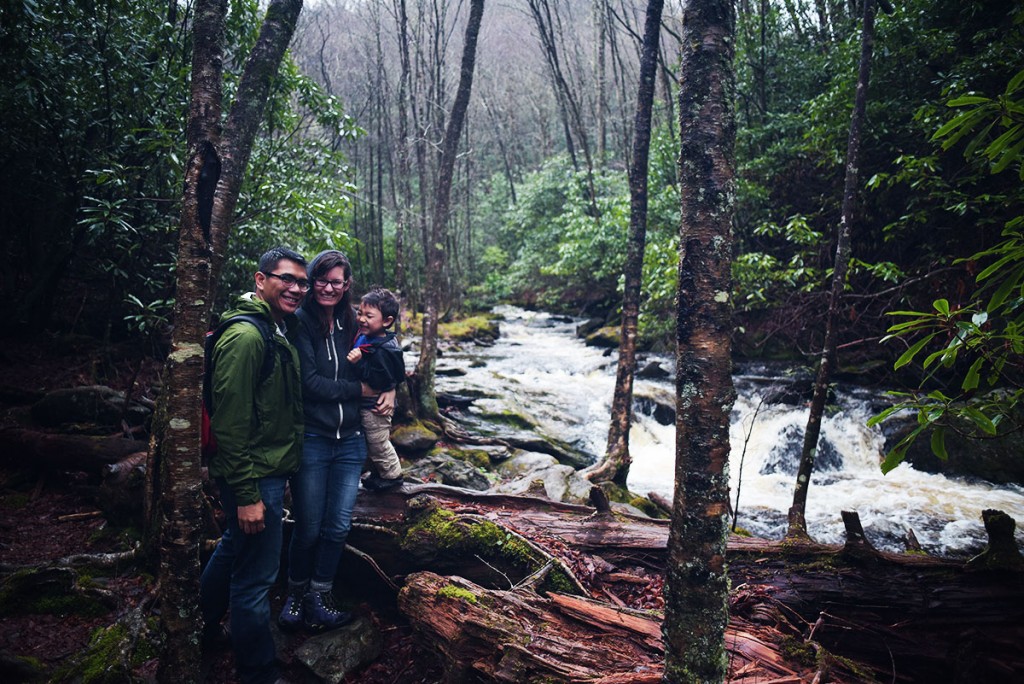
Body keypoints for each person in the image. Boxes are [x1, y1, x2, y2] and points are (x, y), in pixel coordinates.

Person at [199, 246, 308, 684]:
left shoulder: (277, 328)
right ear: (261, 280)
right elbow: (230, 421)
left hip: (266, 469)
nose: (296, 288)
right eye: (287, 279)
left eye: (302, 281)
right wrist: (247, 496)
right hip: (253, 476)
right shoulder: (247, 337)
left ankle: (199, 625)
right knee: (255, 579)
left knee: (232, 548)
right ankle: (258, 672)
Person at [278, 250, 395, 632]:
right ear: (312, 282)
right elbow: (310, 385)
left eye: (337, 282)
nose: (329, 287)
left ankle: (320, 593)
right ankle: (295, 594)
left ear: (347, 286)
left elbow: (386, 355)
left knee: (338, 526)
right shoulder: (300, 323)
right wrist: (361, 388)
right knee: (309, 526)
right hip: (313, 438)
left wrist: (389, 387)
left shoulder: (353, 321)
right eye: (322, 280)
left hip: (351, 443)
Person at [347, 287, 405, 491]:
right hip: (366, 404)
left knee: (377, 441)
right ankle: (378, 473)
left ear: (387, 321)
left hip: (375, 407)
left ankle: (392, 476)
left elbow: (380, 379)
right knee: (369, 443)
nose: (361, 319)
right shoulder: (370, 337)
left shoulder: (383, 349)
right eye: (360, 313)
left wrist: (358, 363)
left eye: (369, 316)